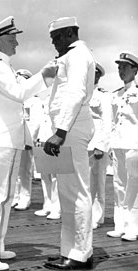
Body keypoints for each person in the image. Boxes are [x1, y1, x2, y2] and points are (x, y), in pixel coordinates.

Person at [0, 16, 58, 271]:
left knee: (4, 196)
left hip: (8, 140)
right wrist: (44, 74)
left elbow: (26, 92)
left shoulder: (4, 67)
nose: (17, 43)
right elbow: (20, 93)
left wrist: (44, 79)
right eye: (13, 38)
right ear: (1, 40)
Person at [43, 17, 95, 270]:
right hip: (67, 128)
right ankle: (71, 250)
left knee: (77, 192)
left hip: (71, 128)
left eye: (56, 38)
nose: (54, 43)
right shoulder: (72, 55)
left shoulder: (77, 55)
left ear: (69, 33)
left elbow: (75, 92)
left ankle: (79, 255)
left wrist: (61, 131)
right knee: (67, 192)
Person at [107, 52, 138, 241]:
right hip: (118, 143)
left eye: (125, 67)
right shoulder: (116, 94)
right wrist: (110, 144)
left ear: (135, 70)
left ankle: (133, 227)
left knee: (134, 186)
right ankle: (120, 225)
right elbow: (113, 122)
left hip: (134, 144)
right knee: (119, 185)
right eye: (119, 67)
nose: (121, 71)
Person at [12, 68, 44, 210]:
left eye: (20, 78)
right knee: (15, 170)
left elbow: (35, 122)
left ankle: (25, 198)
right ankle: (16, 196)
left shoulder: (34, 101)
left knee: (24, 170)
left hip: (25, 140)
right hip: (15, 139)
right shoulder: (17, 100)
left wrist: (28, 140)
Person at [88, 62, 112, 229]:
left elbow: (107, 121)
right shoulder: (81, 93)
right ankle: (86, 214)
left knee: (97, 182)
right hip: (82, 145)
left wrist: (101, 146)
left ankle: (97, 217)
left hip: (96, 145)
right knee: (84, 183)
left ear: (98, 76)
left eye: (94, 74)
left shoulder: (103, 95)